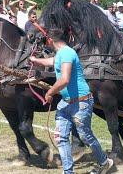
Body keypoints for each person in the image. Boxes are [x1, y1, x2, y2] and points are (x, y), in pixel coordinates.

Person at [29, 27, 113, 174]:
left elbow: (65, 79)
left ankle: (104, 162)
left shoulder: (67, 53)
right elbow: (52, 61)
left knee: (85, 136)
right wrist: (36, 60)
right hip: (66, 103)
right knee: (61, 138)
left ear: (49, 39)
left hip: (80, 103)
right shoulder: (61, 53)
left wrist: (50, 92)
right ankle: (68, 172)